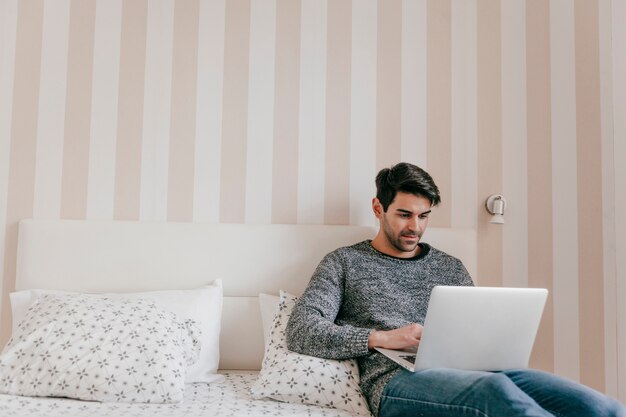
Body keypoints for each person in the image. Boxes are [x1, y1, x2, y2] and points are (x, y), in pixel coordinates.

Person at [286, 162, 626, 417]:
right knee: (496, 394)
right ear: (378, 208)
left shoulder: (450, 266)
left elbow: (478, 330)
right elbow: (302, 331)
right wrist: (383, 338)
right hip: (396, 381)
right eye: (405, 214)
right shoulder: (344, 262)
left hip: (480, 371)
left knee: (601, 407)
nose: (415, 227)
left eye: (424, 216)